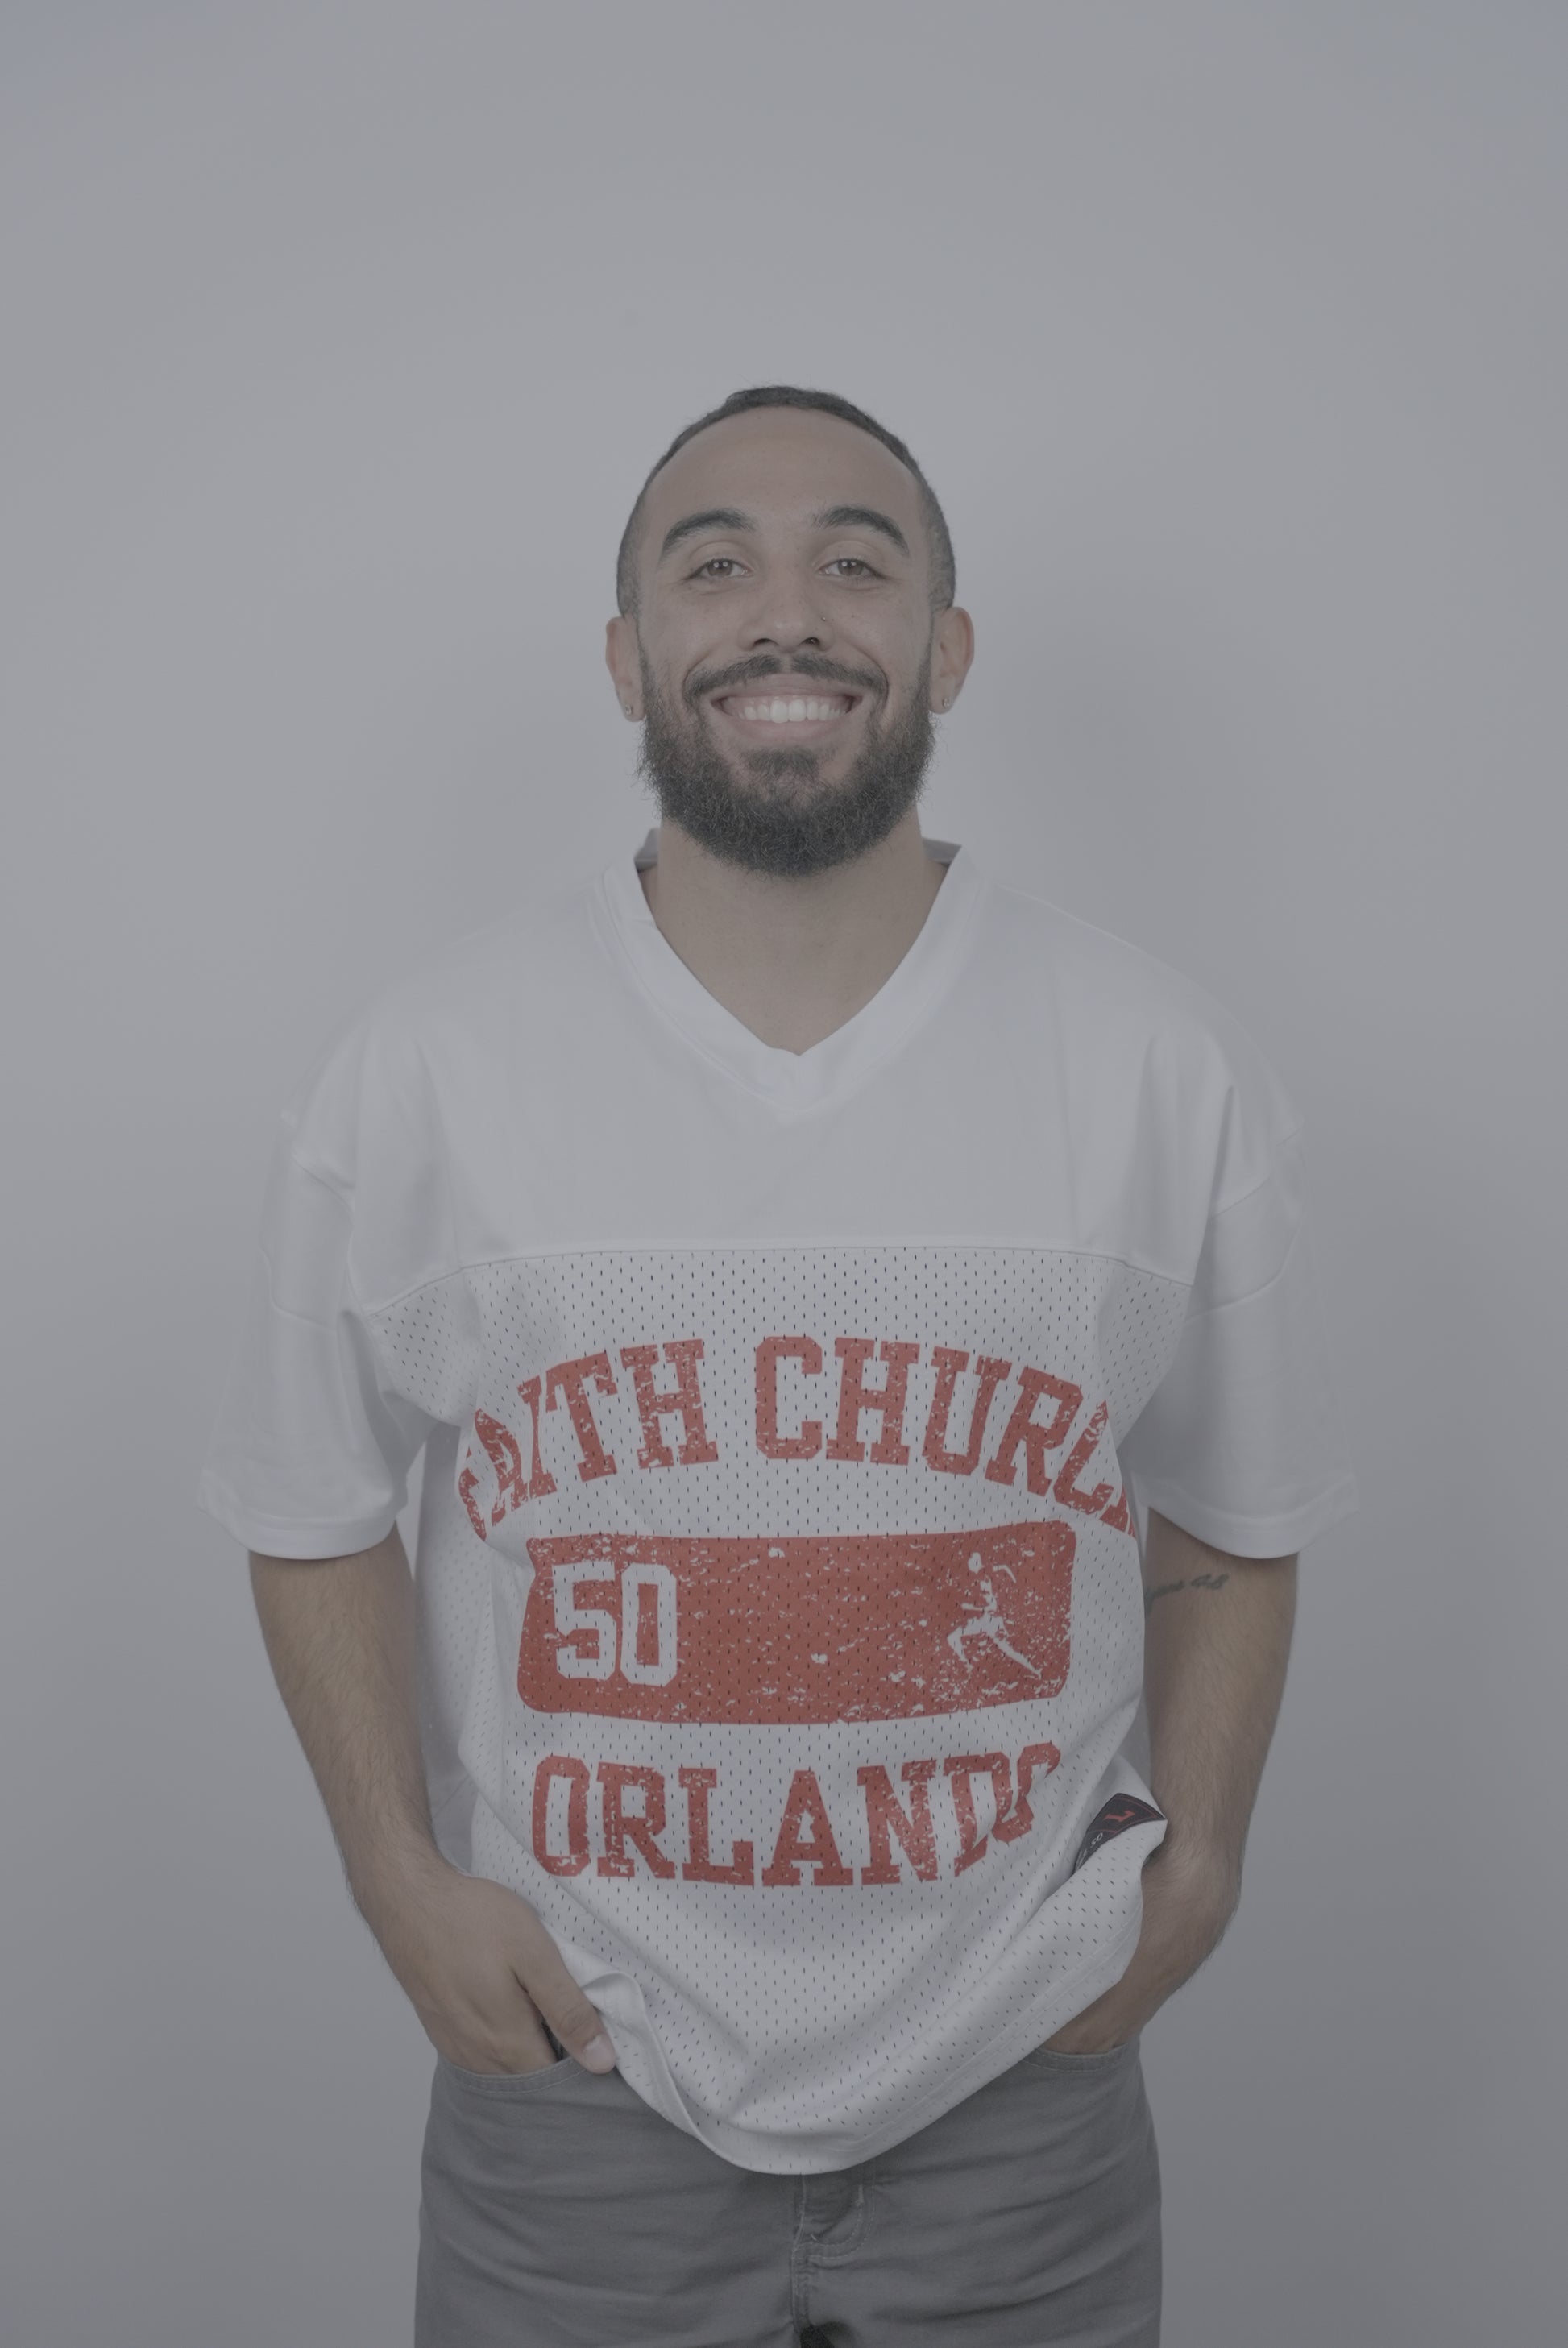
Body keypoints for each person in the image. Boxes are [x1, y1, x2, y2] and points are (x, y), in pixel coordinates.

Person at [198, 384, 1358, 2346]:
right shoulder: (428, 1069)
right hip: (578, 2069)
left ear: (946, 647)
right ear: (628, 652)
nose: (786, 610)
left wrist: (1203, 1868)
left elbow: (1236, 1514)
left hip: (1024, 2074)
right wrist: (398, 1875)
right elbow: (309, 1503)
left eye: (856, 560)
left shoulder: (1155, 1063)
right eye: (714, 561)